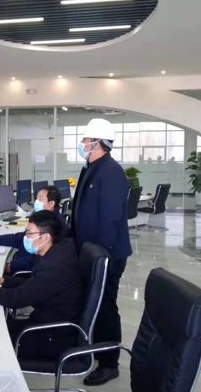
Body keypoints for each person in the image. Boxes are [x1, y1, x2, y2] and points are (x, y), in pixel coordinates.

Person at [0, 210, 81, 360]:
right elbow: (34, 285)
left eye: (29, 234)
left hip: (53, 337)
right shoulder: (58, 252)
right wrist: (3, 280)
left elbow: (16, 299)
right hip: (47, 323)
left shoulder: (54, 267)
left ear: (45, 237)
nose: (25, 238)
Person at [70, 118, 132, 386]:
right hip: (92, 252)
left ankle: (109, 364)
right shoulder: (91, 167)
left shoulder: (111, 172)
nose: (81, 144)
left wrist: (98, 258)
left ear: (97, 143)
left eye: (85, 140)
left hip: (106, 255)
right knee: (93, 304)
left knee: (105, 306)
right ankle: (95, 349)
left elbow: (110, 220)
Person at [0, 185, 70, 275]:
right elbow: (21, 237)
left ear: (51, 204)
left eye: (40, 199)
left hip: (25, 272)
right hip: (21, 262)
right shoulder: (46, 218)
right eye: (37, 198)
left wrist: (10, 266)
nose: (36, 201)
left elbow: (36, 259)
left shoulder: (55, 225)